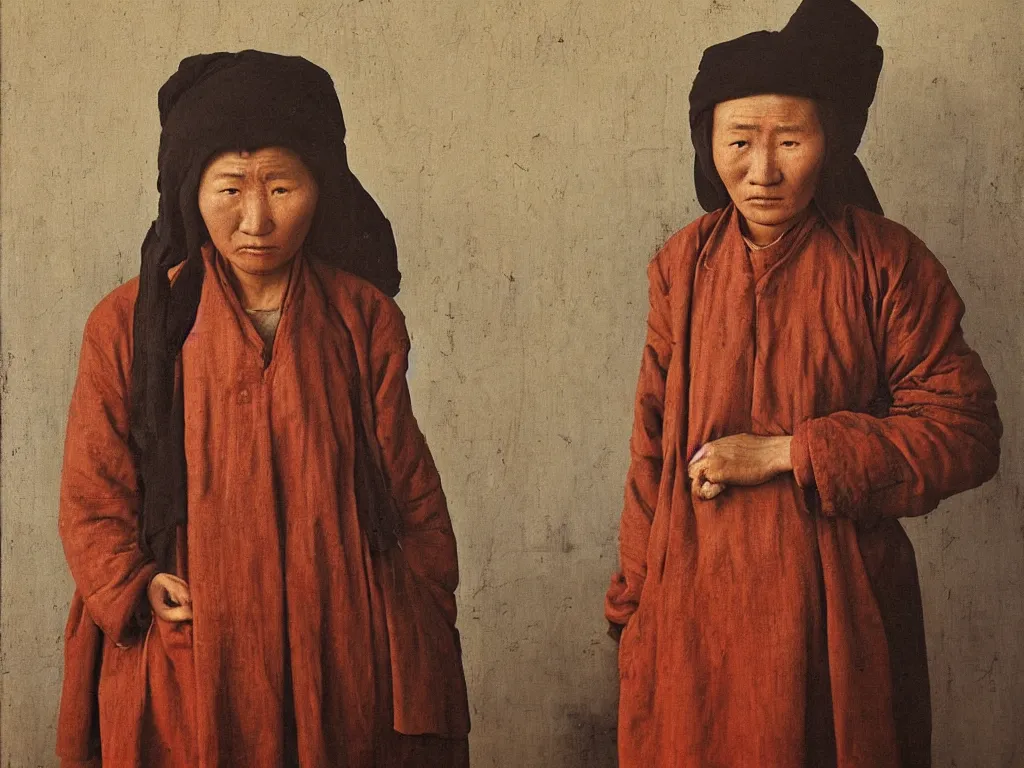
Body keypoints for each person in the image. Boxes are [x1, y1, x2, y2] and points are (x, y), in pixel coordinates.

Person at [605, 1, 1001, 766]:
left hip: (838, 610)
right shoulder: (681, 267)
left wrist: (790, 452)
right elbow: (649, 449)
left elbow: (967, 432)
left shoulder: (886, 263)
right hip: (696, 606)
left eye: (790, 140)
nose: (763, 171)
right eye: (739, 142)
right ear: (707, 144)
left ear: (830, 142)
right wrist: (636, 605)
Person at [56, 51, 470, 767]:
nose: (256, 219)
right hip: (194, 641)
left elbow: (410, 492)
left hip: (340, 645)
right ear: (191, 191)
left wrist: (404, 613)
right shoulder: (129, 324)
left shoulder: (361, 317)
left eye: (281, 186)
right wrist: (135, 583)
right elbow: (94, 495)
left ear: (322, 188)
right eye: (229, 189)